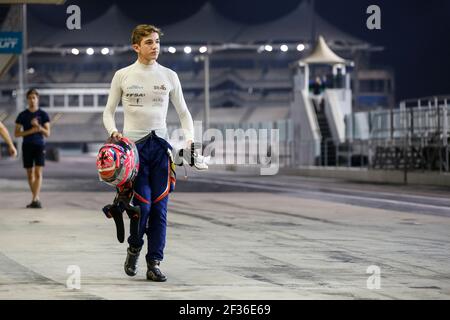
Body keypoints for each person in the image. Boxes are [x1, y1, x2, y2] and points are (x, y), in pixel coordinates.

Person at [103, 24, 195, 282]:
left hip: (161, 150)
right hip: (134, 152)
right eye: (149, 43)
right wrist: (113, 131)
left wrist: (190, 140)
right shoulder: (123, 75)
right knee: (142, 207)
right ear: (136, 47)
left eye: (157, 42)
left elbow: (184, 113)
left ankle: (154, 262)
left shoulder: (169, 76)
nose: (155, 46)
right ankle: (134, 247)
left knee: (160, 209)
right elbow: (108, 111)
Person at [15, 88, 51, 208]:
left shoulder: (43, 114)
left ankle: (35, 198)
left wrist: (38, 127)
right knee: (30, 174)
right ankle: (35, 199)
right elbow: (16, 134)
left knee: (38, 172)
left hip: (39, 145)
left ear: (37, 99)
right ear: (27, 99)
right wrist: (31, 130)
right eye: (30, 98)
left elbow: (47, 133)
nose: (32, 100)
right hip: (27, 146)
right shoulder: (22, 115)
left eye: (34, 98)